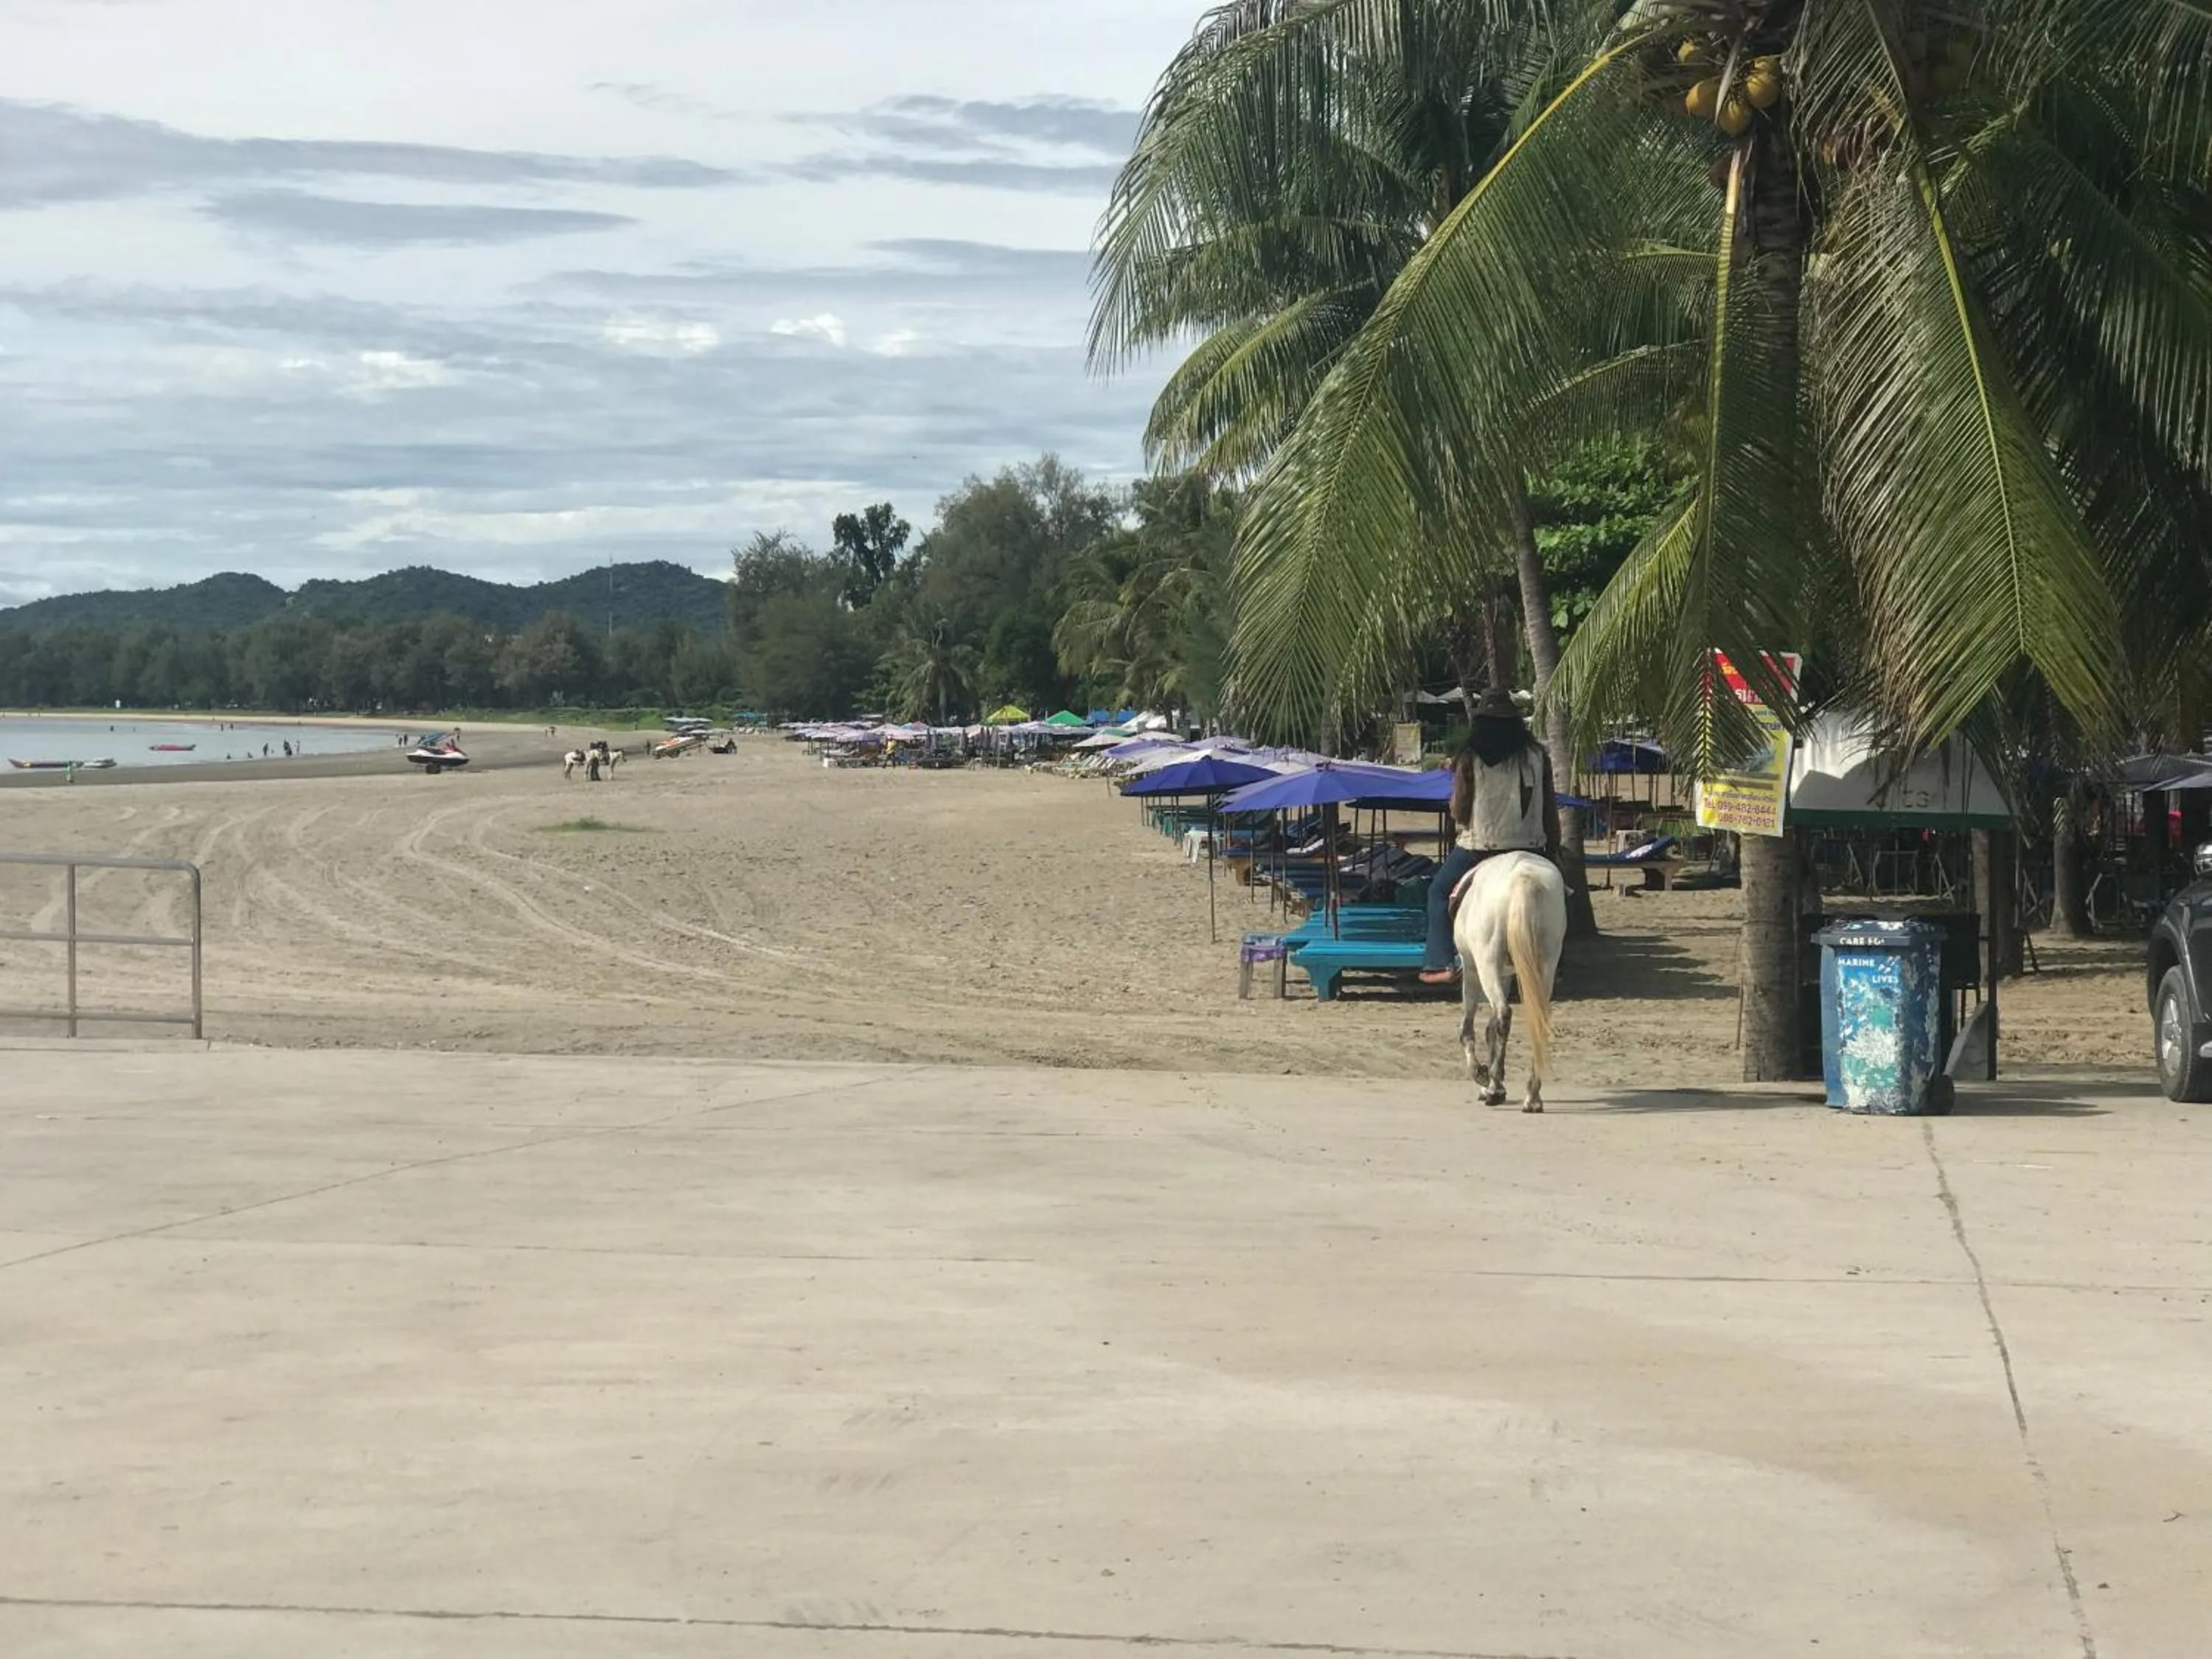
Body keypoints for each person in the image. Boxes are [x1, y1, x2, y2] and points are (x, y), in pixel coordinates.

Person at [1420, 686, 1562, 985]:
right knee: (1559, 894)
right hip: (1532, 846)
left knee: (1437, 891)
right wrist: (1553, 847)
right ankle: (1556, 959)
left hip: (1480, 847)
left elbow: (1459, 810)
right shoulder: (1538, 756)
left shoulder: (1469, 758)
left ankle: (1440, 962)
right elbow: (1549, 806)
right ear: (1516, 722)